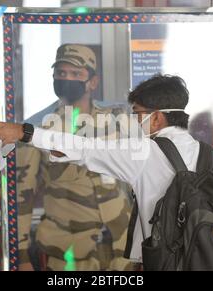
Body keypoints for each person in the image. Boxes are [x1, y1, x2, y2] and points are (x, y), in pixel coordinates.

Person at [0, 74, 213, 270]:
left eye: (138, 114)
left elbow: (84, 148)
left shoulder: (144, 152)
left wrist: (24, 132)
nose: (135, 120)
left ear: (157, 117)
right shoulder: (212, 156)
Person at [14, 44, 133, 271]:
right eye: (60, 73)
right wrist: (22, 257)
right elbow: (22, 196)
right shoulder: (38, 130)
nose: (66, 79)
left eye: (76, 74)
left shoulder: (117, 121)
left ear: (93, 82)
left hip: (122, 249)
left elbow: (138, 180)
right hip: (68, 255)